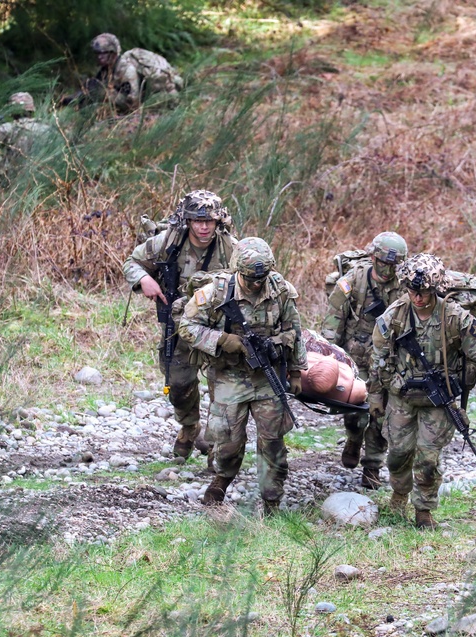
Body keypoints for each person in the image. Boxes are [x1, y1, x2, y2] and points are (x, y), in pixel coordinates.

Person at [369, 253, 476, 529]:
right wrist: (374, 396)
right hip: (401, 398)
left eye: (425, 292)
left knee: (427, 458)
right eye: (413, 292)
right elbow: (378, 359)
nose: (418, 298)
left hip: (437, 401)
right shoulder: (393, 317)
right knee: (397, 455)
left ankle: (424, 511)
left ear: (436, 289)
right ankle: (399, 492)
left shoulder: (455, 318)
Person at [179, 237, 307, 515]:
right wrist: (223, 339)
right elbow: (186, 327)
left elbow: (295, 332)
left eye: (261, 277)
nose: (256, 284)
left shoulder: (281, 291)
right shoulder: (215, 293)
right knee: (228, 441)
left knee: (273, 441)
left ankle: (272, 501)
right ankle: (221, 481)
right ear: (238, 270)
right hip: (229, 376)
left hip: (266, 376)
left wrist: (296, 370)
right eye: (250, 278)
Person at [123, 190, 238, 460]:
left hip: (219, 328)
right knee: (178, 385)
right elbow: (132, 262)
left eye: (209, 221)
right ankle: (189, 427)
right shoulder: (168, 242)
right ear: (187, 221)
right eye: (197, 221)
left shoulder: (231, 247)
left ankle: (217, 445)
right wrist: (143, 279)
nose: (203, 227)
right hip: (178, 328)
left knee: (223, 388)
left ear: (218, 222)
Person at [320, 232, 408, 489]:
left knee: (381, 416)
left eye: (393, 265)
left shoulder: (404, 287)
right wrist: (330, 358)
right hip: (355, 359)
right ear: (372, 258)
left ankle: (372, 466)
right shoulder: (351, 281)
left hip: (388, 360)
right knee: (355, 412)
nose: (387, 270)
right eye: (382, 263)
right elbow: (332, 322)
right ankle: (354, 438)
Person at [66, 33, 183, 113]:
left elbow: (133, 105)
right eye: (97, 54)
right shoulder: (109, 68)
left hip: (163, 100)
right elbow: (96, 86)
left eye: (103, 53)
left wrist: (105, 95)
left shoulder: (127, 71)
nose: (99, 57)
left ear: (113, 53)